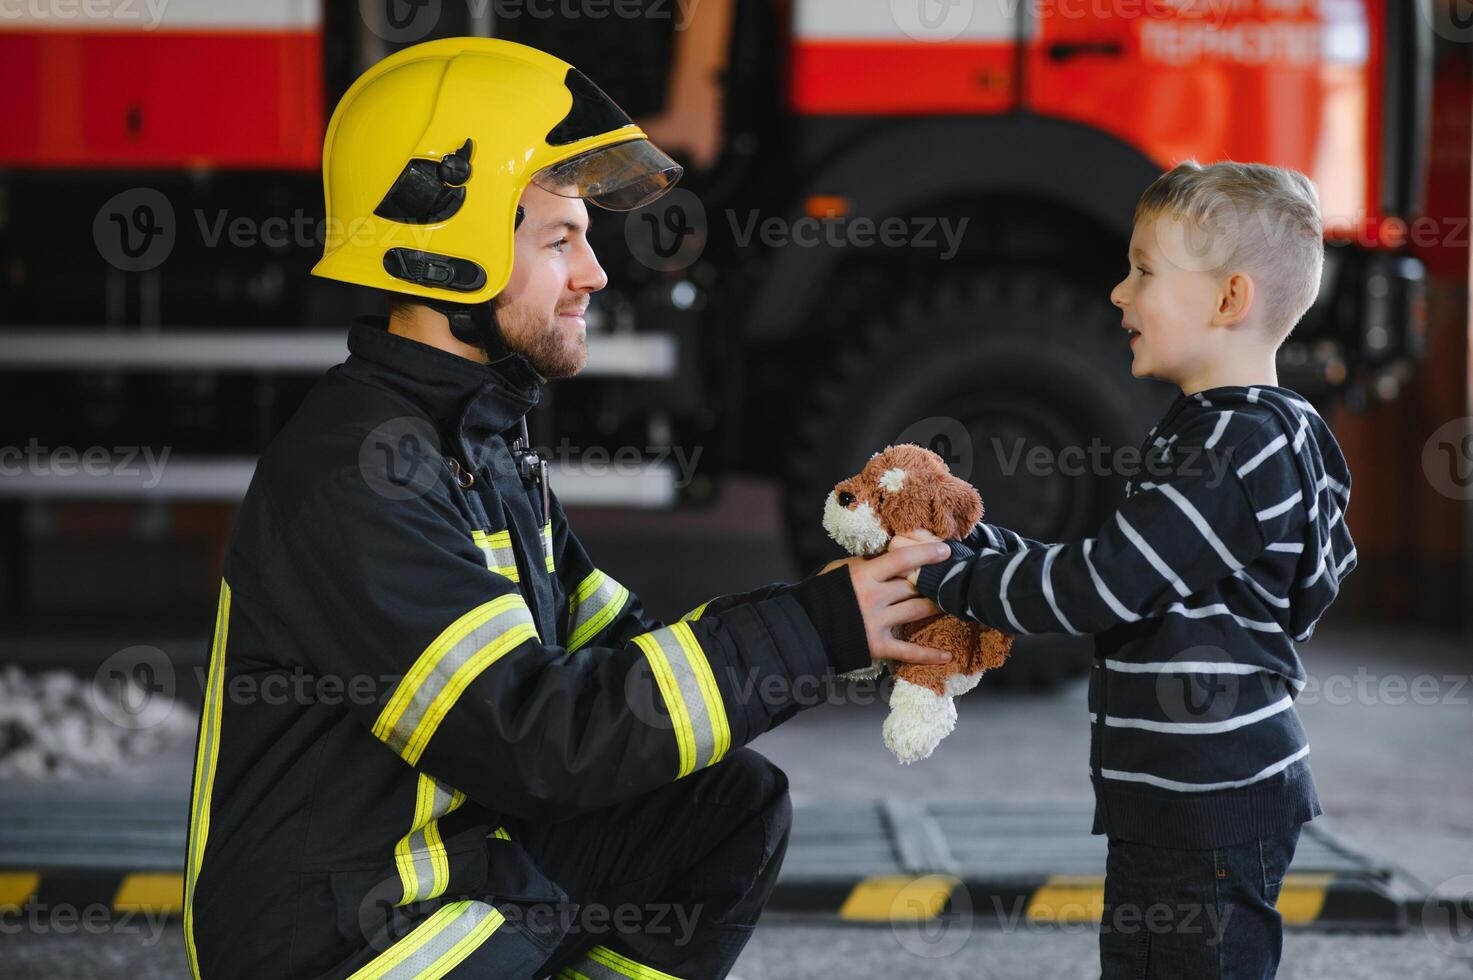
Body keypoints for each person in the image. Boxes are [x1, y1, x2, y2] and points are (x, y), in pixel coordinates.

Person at [182, 38, 951, 980]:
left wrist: (847, 609)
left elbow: (619, 658)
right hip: (345, 940)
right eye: (559, 241)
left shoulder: (474, 438)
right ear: (444, 255)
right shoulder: (357, 473)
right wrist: (814, 632)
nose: (593, 272)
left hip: (451, 876)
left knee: (724, 807)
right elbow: (536, 741)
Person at [890, 160, 1357, 978]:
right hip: (1174, 798)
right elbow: (1121, 570)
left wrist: (943, 575)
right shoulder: (1222, 429)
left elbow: (1095, 587)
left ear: (1227, 300)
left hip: (1207, 804)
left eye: (1143, 271)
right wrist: (976, 547)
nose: (1117, 293)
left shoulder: (1235, 448)